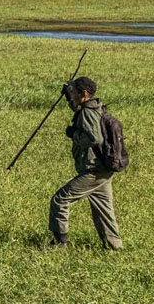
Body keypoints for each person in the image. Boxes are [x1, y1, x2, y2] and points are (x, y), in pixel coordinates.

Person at [48, 76, 122, 249]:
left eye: (75, 91)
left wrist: (73, 135)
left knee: (60, 200)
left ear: (85, 93)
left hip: (93, 171)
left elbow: (94, 138)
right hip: (103, 169)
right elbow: (79, 110)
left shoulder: (87, 112)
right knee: (104, 211)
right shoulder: (95, 107)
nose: (72, 94)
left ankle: (59, 243)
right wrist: (68, 97)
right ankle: (114, 247)